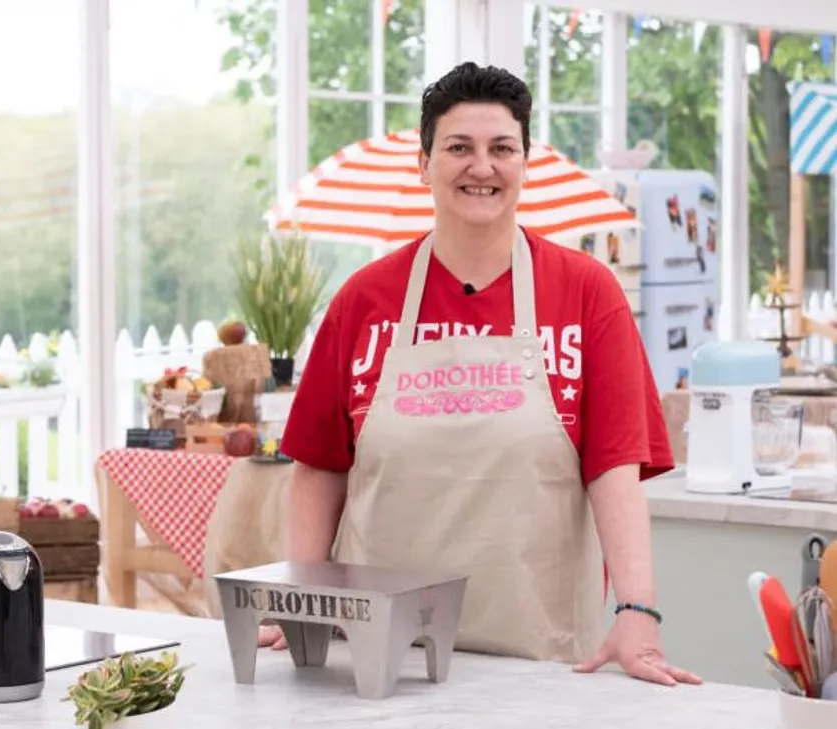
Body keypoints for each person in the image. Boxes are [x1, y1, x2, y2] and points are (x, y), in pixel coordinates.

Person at [267, 61, 701, 687]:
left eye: (502, 148)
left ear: (525, 163)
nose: (482, 167)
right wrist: (300, 600)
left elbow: (614, 468)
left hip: (542, 654)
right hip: (379, 652)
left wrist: (637, 611)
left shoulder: (586, 293)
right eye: (458, 148)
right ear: (423, 164)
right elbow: (319, 468)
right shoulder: (364, 300)